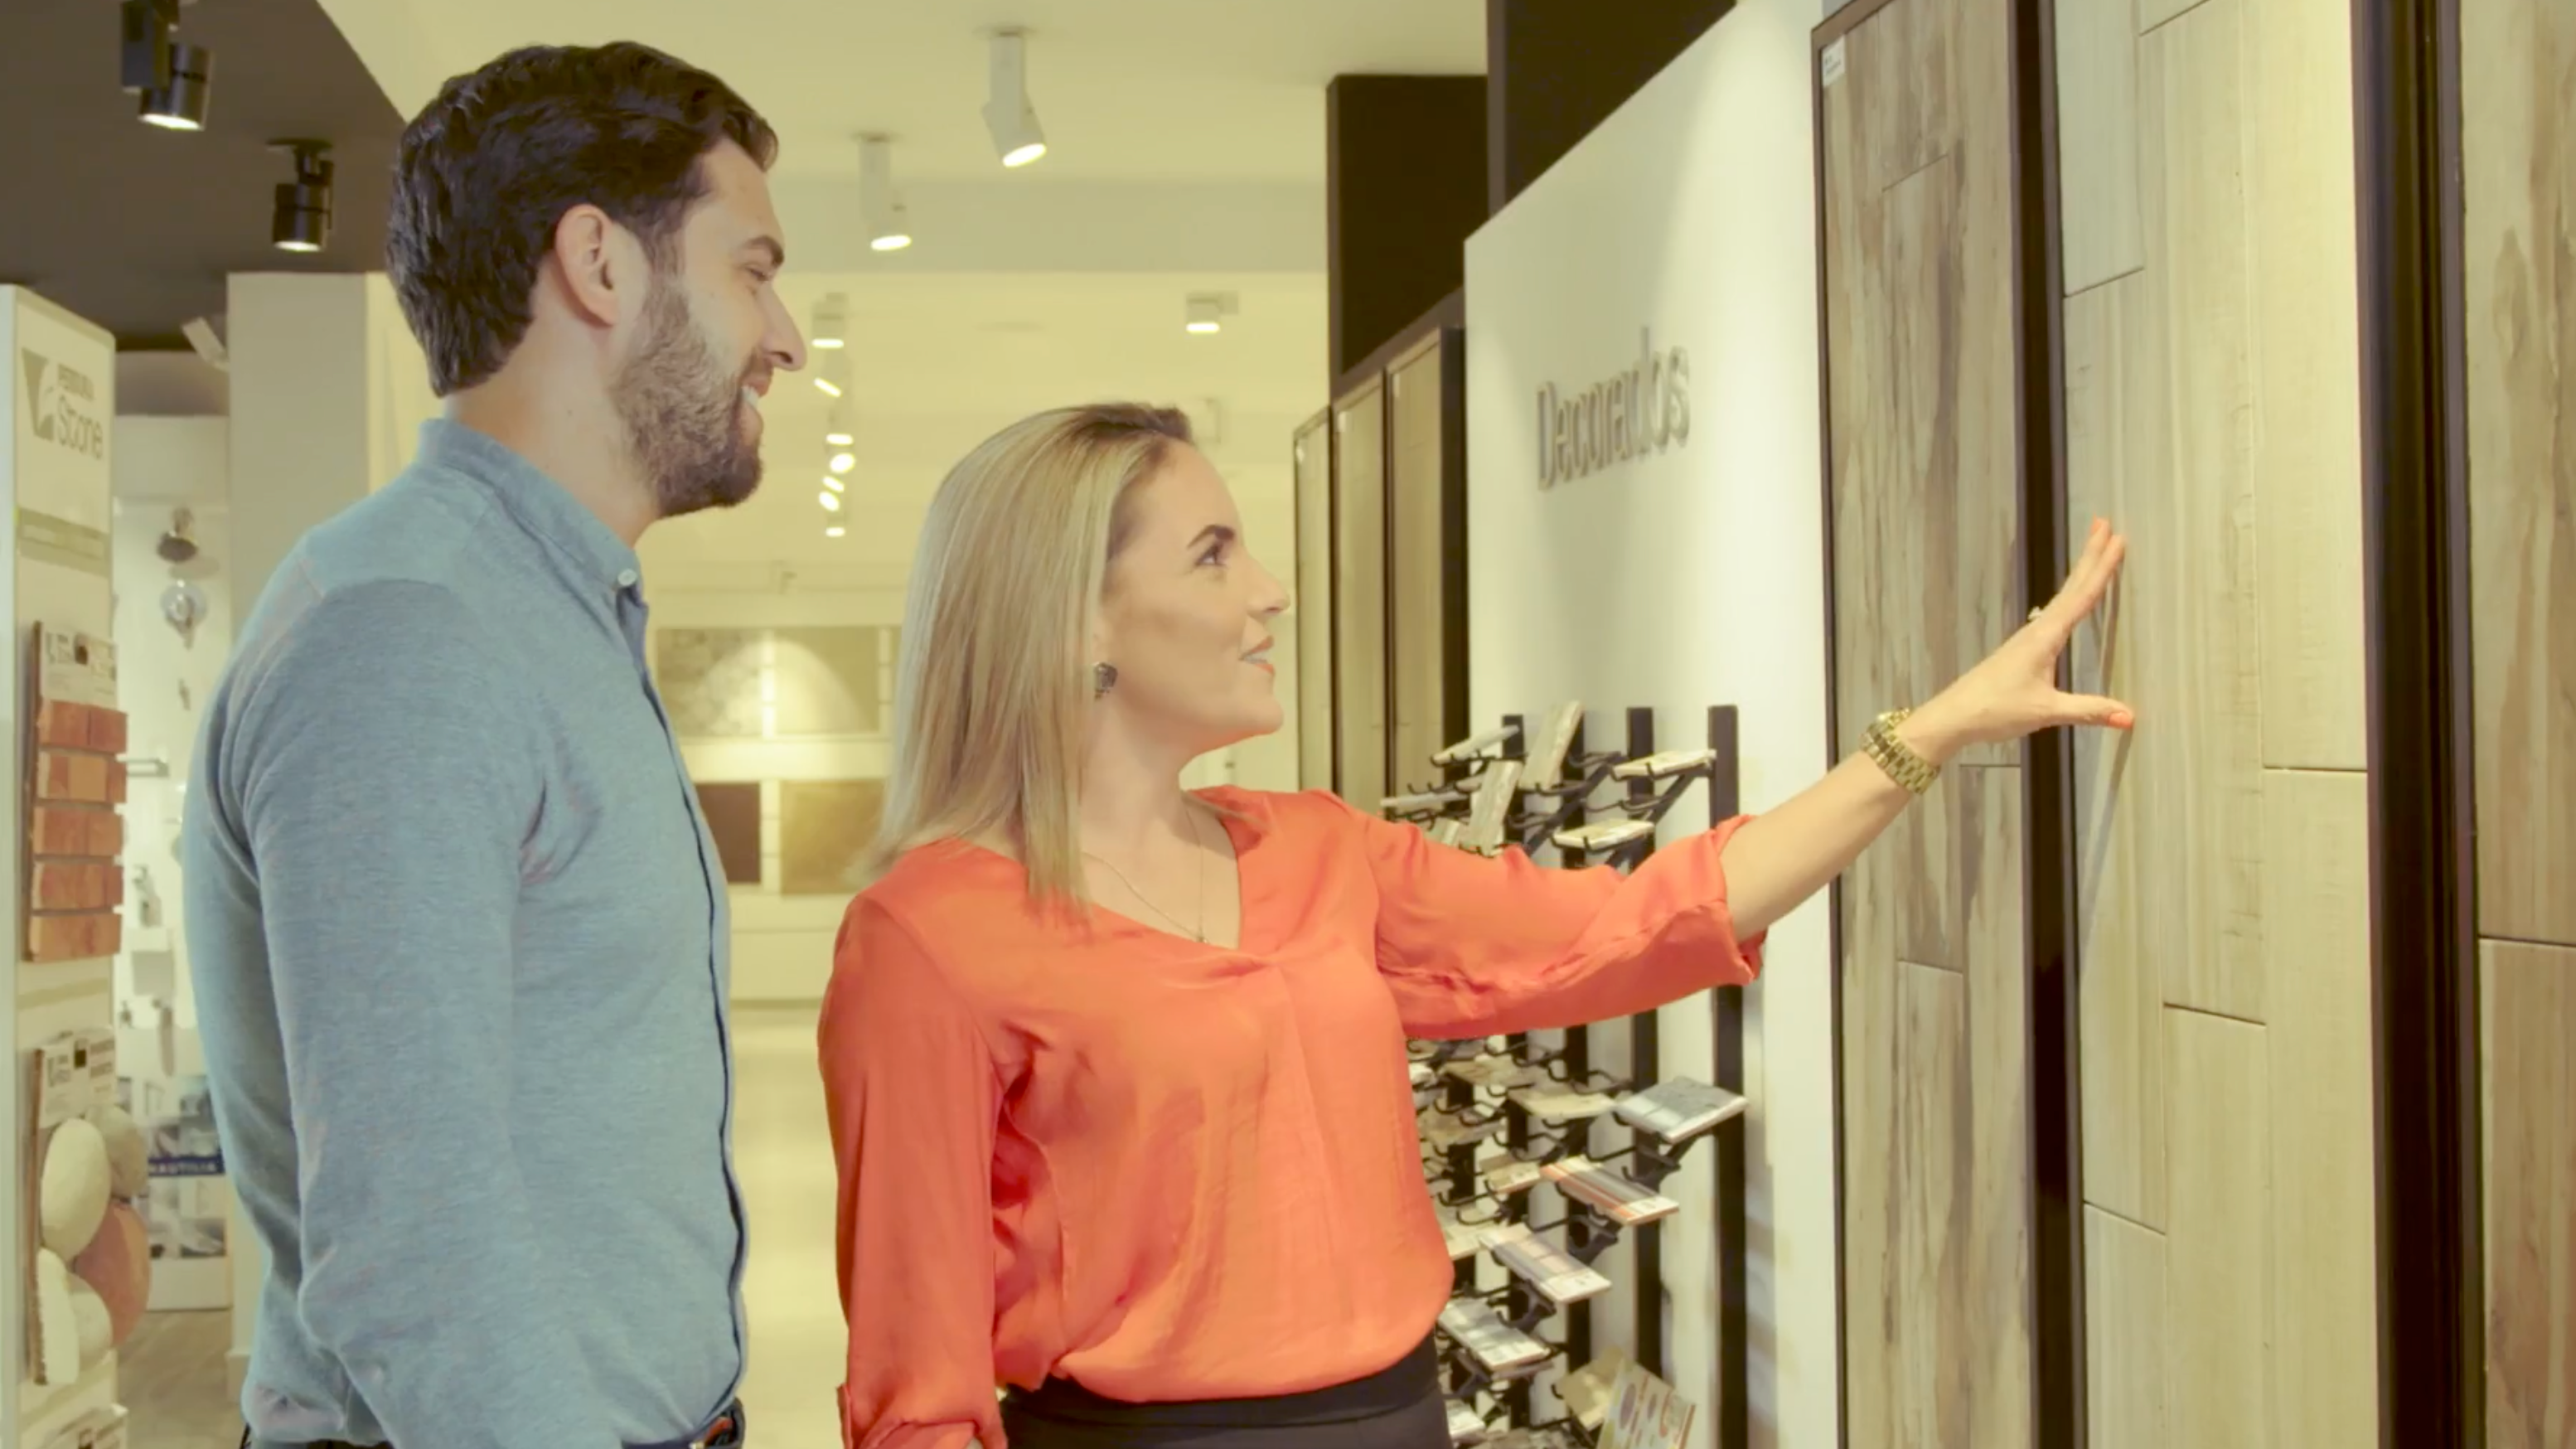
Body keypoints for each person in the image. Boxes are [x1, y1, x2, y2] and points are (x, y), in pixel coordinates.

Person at [816, 403, 2132, 1448]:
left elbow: (1635, 921)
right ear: (1073, 617)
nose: (1271, 591)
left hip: (1399, 1419)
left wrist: (1933, 731)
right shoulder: (930, 937)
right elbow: (916, 1385)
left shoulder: (1317, 850)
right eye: (1213, 554)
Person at [182, 41, 803, 1449]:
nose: (785, 336)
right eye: (752, 270)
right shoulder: (411, 630)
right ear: (600, 263)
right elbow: (412, 1244)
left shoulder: (538, 609)